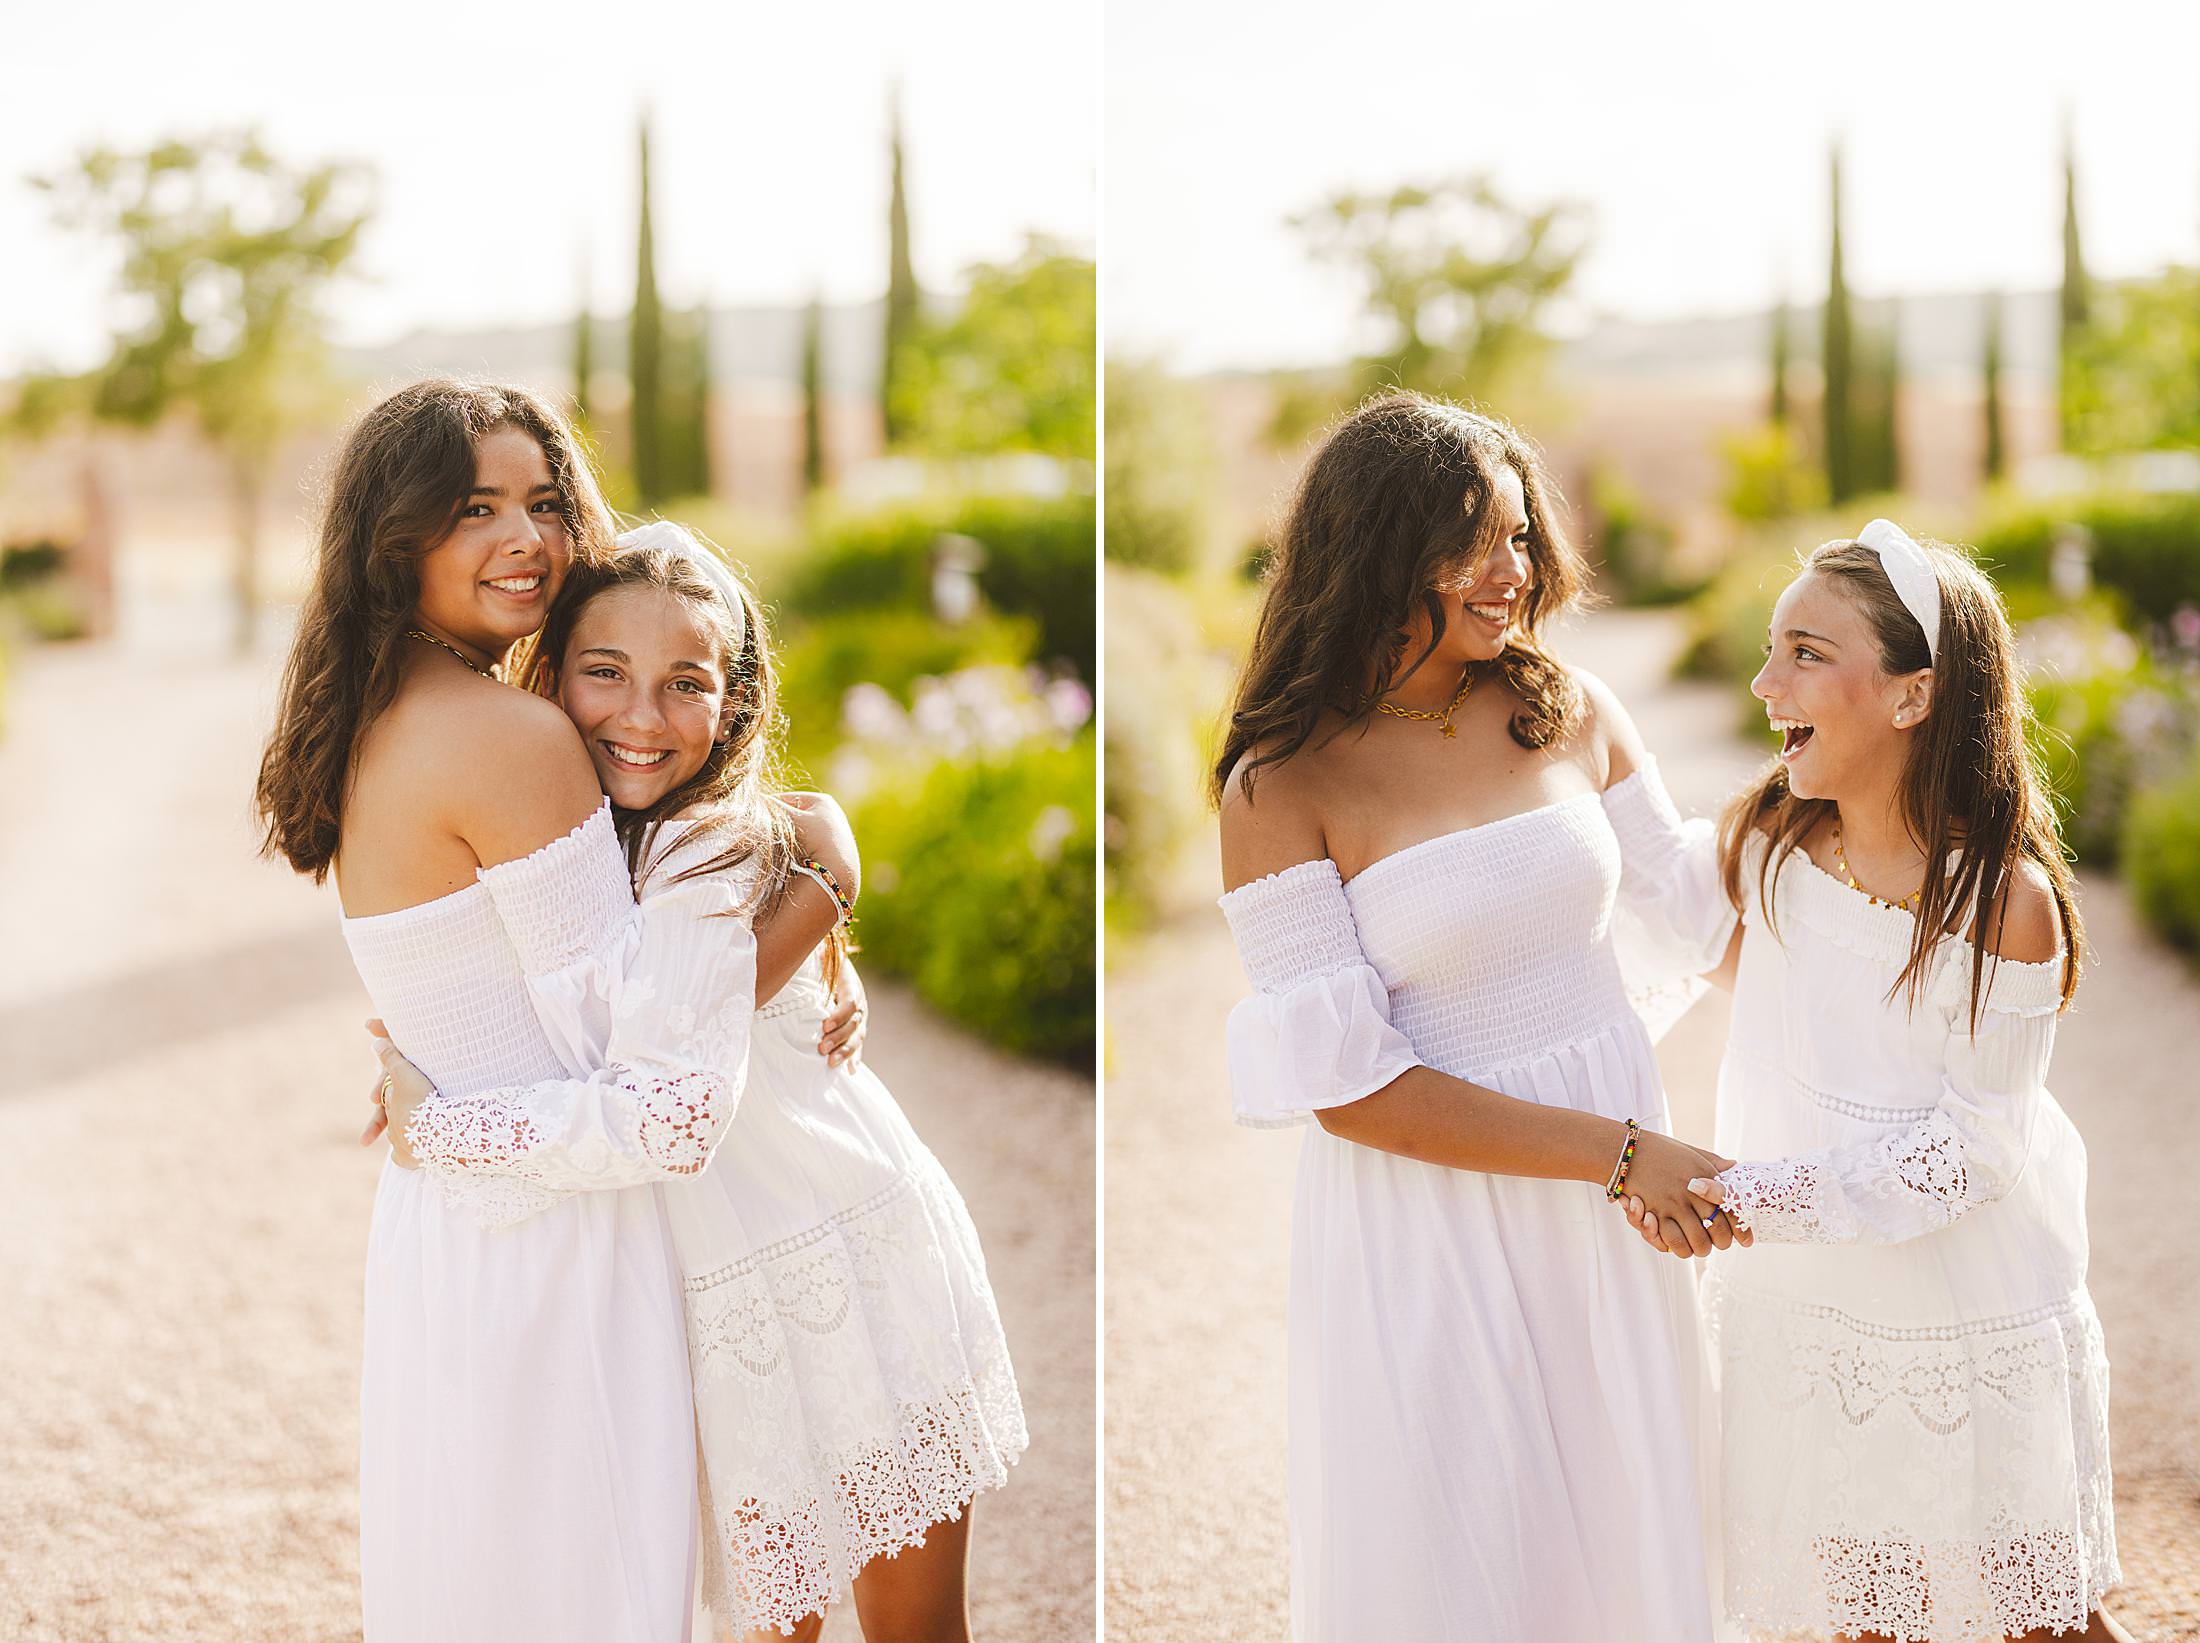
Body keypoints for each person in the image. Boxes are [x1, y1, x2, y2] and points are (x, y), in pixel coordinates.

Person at [374, 523, 1027, 1642]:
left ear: (734, 704)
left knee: (915, 1629)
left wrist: (443, 1125)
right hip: (711, 1315)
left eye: (686, 683)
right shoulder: (568, 844)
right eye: (605, 672)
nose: (641, 714)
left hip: (845, 1262)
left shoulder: (710, 849)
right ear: (549, 675)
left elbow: (665, 1096)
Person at [1213, 392, 1744, 1642]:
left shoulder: (1565, 706)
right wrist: (1619, 1152)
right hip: (1434, 1223)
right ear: (1374, 549)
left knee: (1631, 1525)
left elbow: (1703, 914)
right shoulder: (1282, 780)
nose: (1507, 573)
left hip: (1615, 1217)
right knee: (1471, 1556)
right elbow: (1351, 1090)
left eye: (1517, 536)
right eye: (1469, 543)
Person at [255, 379, 752, 1640]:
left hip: (452, 1234)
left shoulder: (372, 713)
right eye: (474, 507)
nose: (524, 538)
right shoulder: (514, 735)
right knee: (591, 1588)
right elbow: (645, 1064)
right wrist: (811, 868)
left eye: (543, 501)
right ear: (396, 536)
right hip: (560, 1235)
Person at [1623, 520, 2127, 1643]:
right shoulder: (1771, 841)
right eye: (1768, 648)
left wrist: (1749, 1197)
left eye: (1803, 651)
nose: (1763, 683)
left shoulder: (2005, 901)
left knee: (2038, 1612)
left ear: (1912, 696)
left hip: (1965, 1301)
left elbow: (1975, 1151)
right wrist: (1592, 742)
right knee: (1859, 1606)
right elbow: (1670, 919)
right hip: (1811, 1307)